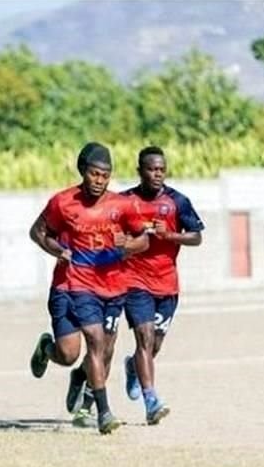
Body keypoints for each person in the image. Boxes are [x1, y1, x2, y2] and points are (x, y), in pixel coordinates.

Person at [27, 142, 146, 435]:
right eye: (94, 174)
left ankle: (84, 395)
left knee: (104, 349)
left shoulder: (123, 205)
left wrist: (128, 246)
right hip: (73, 284)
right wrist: (56, 249)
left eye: (105, 176)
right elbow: (37, 232)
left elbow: (143, 240)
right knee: (81, 346)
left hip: (113, 287)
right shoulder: (63, 203)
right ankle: (105, 412)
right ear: (83, 171)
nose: (99, 181)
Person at [120, 146, 204, 423]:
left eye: (161, 170)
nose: (157, 174)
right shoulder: (125, 201)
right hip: (134, 281)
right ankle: (151, 400)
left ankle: (134, 366)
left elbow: (196, 237)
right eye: (151, 169)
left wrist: (168, 235)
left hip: (167, 284)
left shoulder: (177, 201)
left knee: (153, 345)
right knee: (144, 338)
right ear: (140, 171)